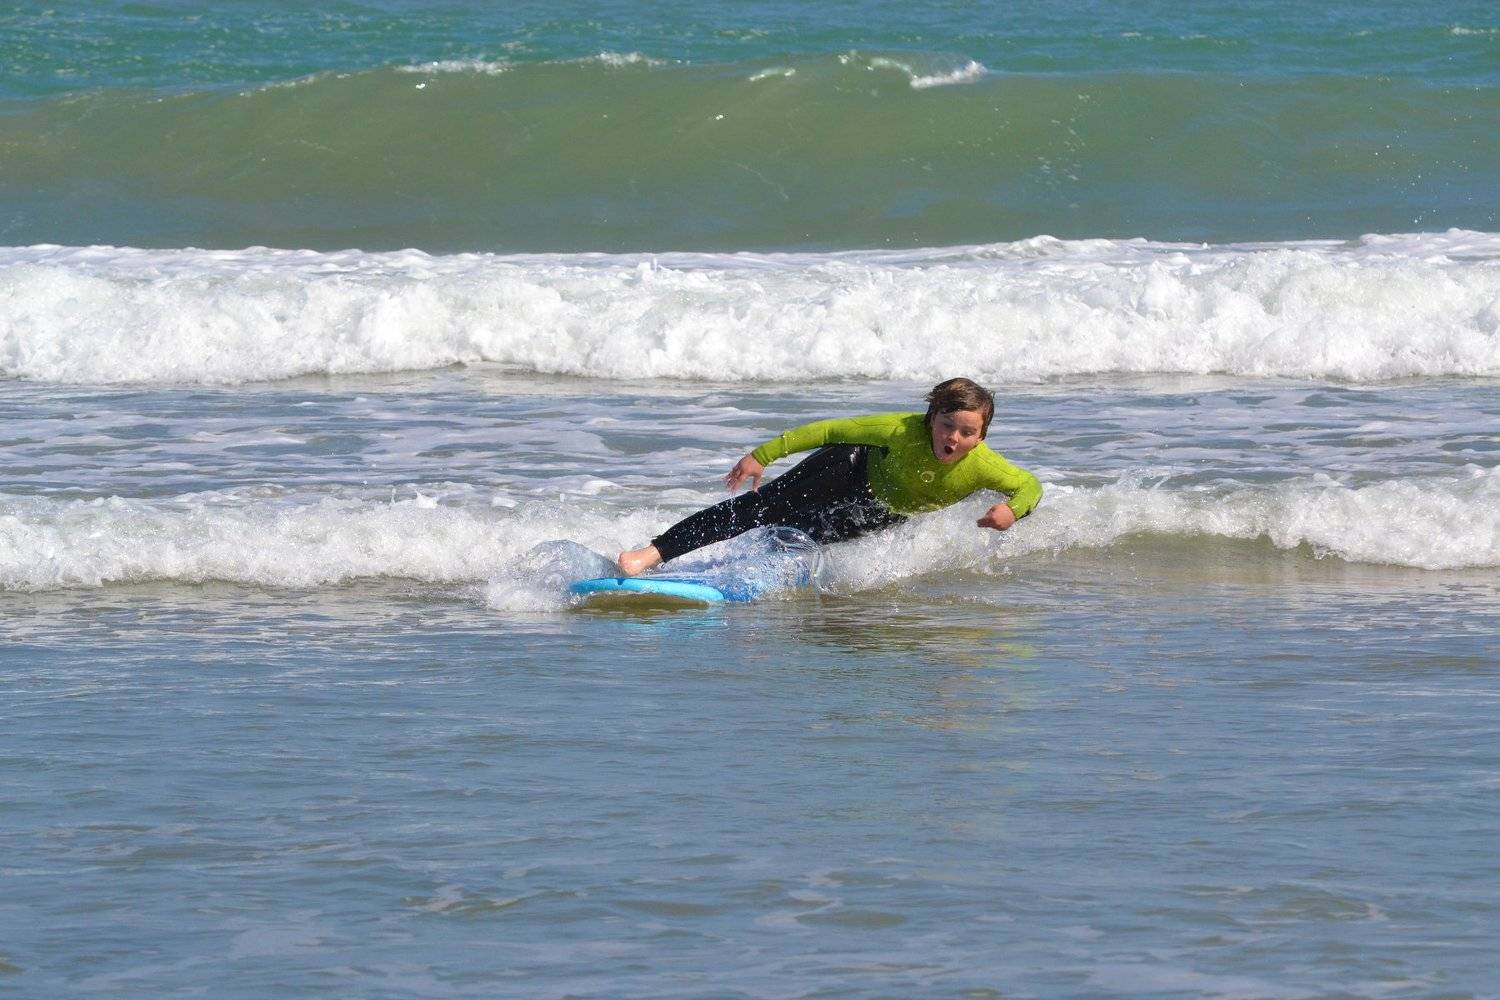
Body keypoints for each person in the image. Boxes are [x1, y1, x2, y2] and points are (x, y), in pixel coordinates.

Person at [616, 377, 1042, 576]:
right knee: (763, 507)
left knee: (798, 539)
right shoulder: (899, 430)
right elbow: (828, 430)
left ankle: (720, 570)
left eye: (967, 432)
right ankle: (651, 554)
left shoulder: (984, 465)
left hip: (883, 509)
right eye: (947, 425)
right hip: (848, 469)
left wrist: (1012, 510)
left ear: (981, 435)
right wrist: (762, 455)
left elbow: (1029, 486)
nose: (954, 438)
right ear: (932, 419)